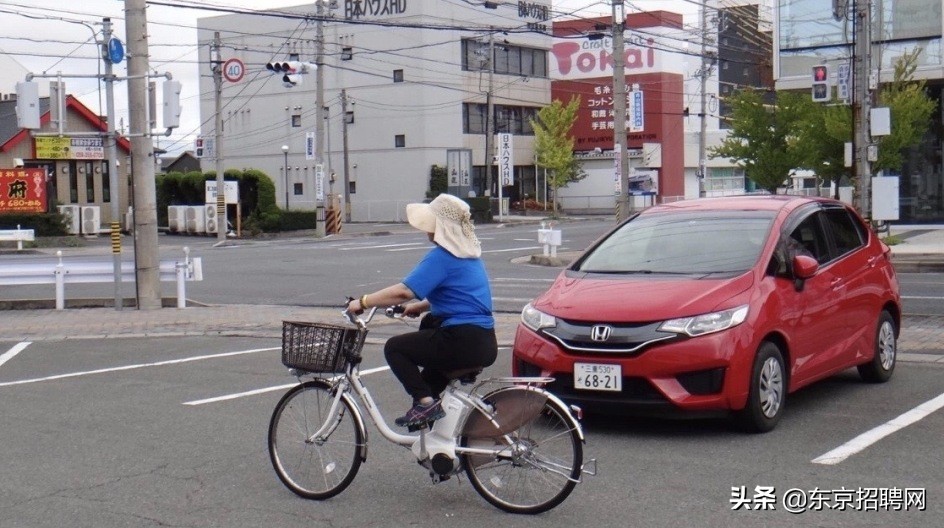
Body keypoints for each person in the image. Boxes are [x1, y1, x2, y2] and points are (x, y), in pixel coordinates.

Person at [345, 193, 497, 427]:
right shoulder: (469, 256)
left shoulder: (442, 257)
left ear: (441, 227)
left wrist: (364, 301)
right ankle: (432, 423)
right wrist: (420, 307)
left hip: (462, 340)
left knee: (395, 348)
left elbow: (404, 291)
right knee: (429, 343)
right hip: (482, 340)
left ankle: (426, 404)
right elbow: (461, 297)